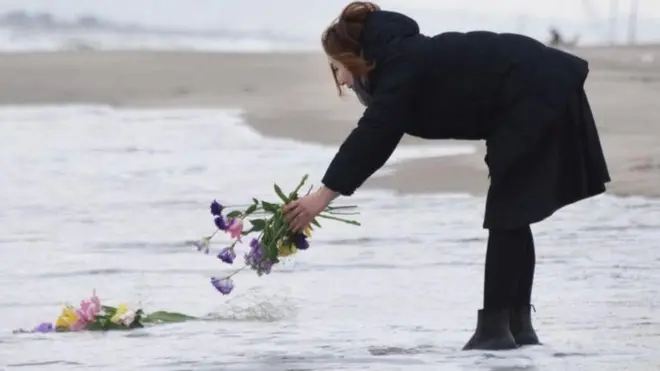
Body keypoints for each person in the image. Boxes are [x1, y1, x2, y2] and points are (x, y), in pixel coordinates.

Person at [282, 1, 611, 351]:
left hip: (535, 89)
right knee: (513, 214)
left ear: (352, 58)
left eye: (337, 69)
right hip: (536, 87)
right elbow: (381, 133)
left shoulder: (401, 64)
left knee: (508, 213)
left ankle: (494, 331)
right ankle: (516, 326)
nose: (343, 81)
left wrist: (320, 198)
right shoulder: (399, 63)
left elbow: (373, 136)